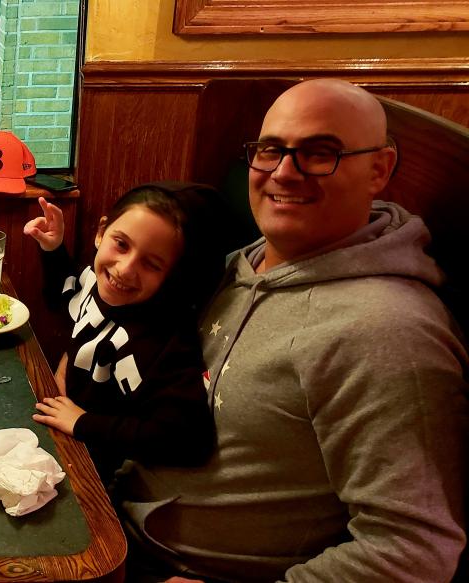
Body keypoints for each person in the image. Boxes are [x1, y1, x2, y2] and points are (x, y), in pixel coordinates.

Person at [114, 79, 468, 582]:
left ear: (379, 169)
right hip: (113, 519)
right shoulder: (237, 263)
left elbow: (413, 552)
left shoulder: (387, 333)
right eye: (271, 149)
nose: (284, 172)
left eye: (320, 153)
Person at [24, 182, 222, 483]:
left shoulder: (168, 342)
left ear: (170, 274)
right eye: (121, 244)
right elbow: (65, 297)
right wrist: (53, 250)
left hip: (102, 477)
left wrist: (83, 422)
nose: (126, 269)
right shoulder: (96, 281)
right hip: (65, 437)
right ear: (101, 231)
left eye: (151, 264)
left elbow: (188, 441)